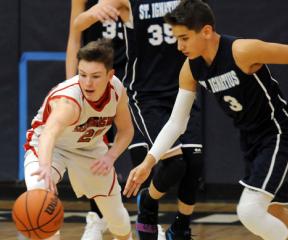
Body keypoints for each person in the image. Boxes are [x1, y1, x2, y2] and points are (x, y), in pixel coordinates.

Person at [123, 0, 288, 240]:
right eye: (176, 39)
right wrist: (149, 162)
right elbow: (176, 123)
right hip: (251, 140)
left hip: (278, 132)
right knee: (273, 211)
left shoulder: (242, 51)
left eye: (184, 38)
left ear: (207, 31)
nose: (179, 46)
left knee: (250, 211)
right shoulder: (190, 69)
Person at [74, 1, 204, 239]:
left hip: (182, 87)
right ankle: (145, 204)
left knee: (194, 164)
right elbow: (79, 24)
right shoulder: (127, 2)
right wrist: (93, 12)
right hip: (148, 94)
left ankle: (181, 227)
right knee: (174, 164)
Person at [24, 39, 134, 240]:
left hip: (90, 148)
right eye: (82, 75)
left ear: (110, 75)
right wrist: (46, 166)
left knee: (117, 218)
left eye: (95, 76)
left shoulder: (117, 91)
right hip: (50, 148)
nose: (87, 83)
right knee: (39, 202)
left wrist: (111, 157)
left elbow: (126, 131)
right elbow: (50, 133)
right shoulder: (69, 100)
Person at [66, 1, 129, 239]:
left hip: (131, 67)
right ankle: (97, 218)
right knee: (94, 146)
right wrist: (71, 86)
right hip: (96, 71)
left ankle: (148, 219)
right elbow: (74, 36)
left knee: (140, 146)